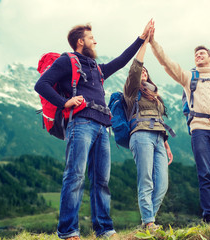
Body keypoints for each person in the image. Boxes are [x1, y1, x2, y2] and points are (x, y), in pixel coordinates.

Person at [34, 20, 154, 239]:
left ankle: (105, 230)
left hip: (102, 127)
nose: (95, 41)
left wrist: (141, 38)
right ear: (81, 42)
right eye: (91, 38)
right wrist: (65, 103)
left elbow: (121, 60)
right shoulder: (66, 61)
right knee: (75, 176)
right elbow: (40, 84)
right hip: (80, 123)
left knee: (101, 180)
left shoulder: (96, 68)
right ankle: (68, 231)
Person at [148, 27, 210, 223]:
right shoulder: (188, 77)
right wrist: (152, 42)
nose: (198, 56)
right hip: (200, 130)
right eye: (196, 54)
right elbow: (166, 62)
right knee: (205, 174)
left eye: (202, 53)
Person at [123, 27, 173, 229]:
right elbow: (136, 67)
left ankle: (146, 223)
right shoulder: (131, 91)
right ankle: (149, 222)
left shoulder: (156, 96)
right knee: (146, 180)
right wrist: (144, 43)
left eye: (146, 71)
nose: (143, 72)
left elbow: (159, 119)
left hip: (159, 138)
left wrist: (167, 144)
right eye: (141, 71)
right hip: (141, 135)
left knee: (161, 184)